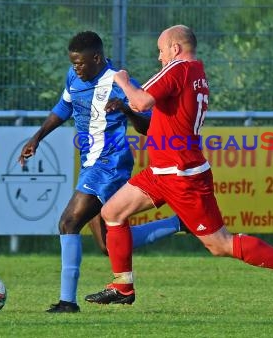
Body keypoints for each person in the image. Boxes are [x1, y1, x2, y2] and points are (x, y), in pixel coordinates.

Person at [83, 25, 273, 311]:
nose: (159, 58)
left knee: (220, 244)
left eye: (161, 50)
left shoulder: (178, 68)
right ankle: (123, 286)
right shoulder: (195, 72)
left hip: (182, 175)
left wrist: (123, 80)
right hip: (162, 171)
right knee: (112, 212)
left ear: (175, 48)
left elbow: (141, 101)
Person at [19, 31, 185, 314]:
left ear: (96, 58)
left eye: (80, 64)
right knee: (109, 244)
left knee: (68, 222)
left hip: (109, 164)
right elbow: (64, 107)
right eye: (73, 64)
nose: (76, 69)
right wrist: (37, 137)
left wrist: (125, 109)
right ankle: (178, 224)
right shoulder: (75, 78)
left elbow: (148, 125)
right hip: (90, 163)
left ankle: (67, 302)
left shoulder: (119, 82)